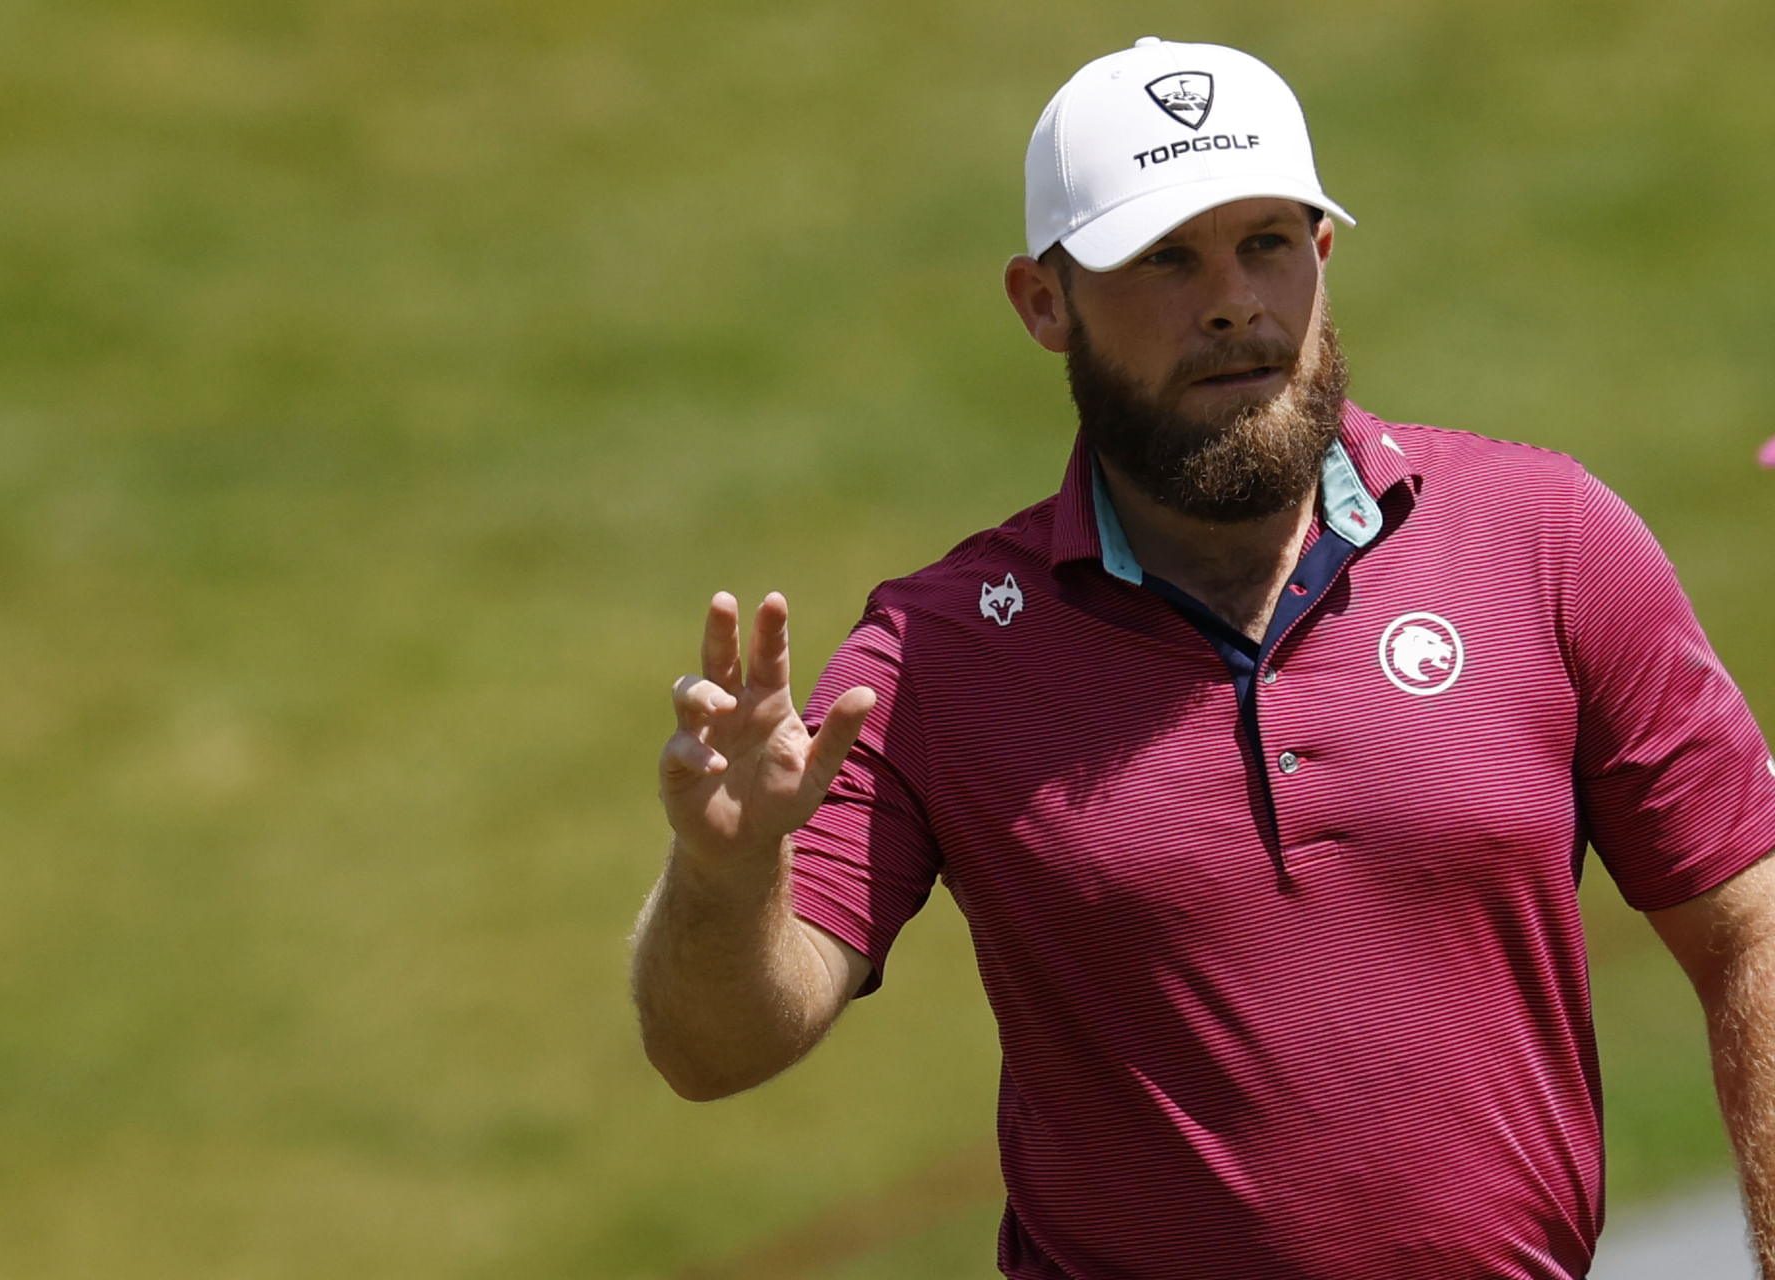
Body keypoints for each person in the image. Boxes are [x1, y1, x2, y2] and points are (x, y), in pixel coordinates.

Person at [630, 36, 1775, 1279]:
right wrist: (726, 868)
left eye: (1267, 242)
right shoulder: (936, 653)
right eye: (1166, 257)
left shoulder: (1546, 539)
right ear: (1042, 302)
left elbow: (1751, 929)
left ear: (1322, 259)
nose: (1232, 300)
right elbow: (715, 1047)